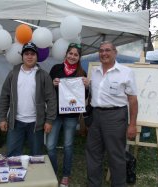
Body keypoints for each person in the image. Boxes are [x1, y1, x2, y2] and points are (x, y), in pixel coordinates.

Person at [86, 41, 138, 187]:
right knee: (93, 154)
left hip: (116, 117)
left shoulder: (126, 72)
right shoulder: (95, 72)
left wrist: (132, 125)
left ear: (115, 52)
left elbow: (133, 100)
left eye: (108, 50)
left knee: (116, 156)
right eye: (101, 51)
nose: (104, 53)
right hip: (96, 117)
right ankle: (93, 184)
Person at [0, 42, 57, 157]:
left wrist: (49, 120)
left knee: (36, 156)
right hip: (15, 123)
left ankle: (35, 175)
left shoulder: (43, 75)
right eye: (26, 54)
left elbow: (51, 99)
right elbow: (4, 96)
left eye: (32, 54)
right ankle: (15, 175)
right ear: (22, 57)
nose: (29, 56)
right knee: (12, 156)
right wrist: (3, 118)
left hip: (36, 124)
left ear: (37, 56)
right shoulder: (13, 74)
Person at [46, 43, 90, 187]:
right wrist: (52, 83)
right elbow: (46, 90)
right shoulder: (56, 69)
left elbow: (83, 97)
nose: (72, 56)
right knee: (50, 146)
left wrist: (87, 86)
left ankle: (65, 175)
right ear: (66, 54)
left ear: (79, 57)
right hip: (55, 114)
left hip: (71, 115)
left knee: (68, 145)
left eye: (75, 55)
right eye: (70, 53)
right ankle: (52, 171)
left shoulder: (82, 73)